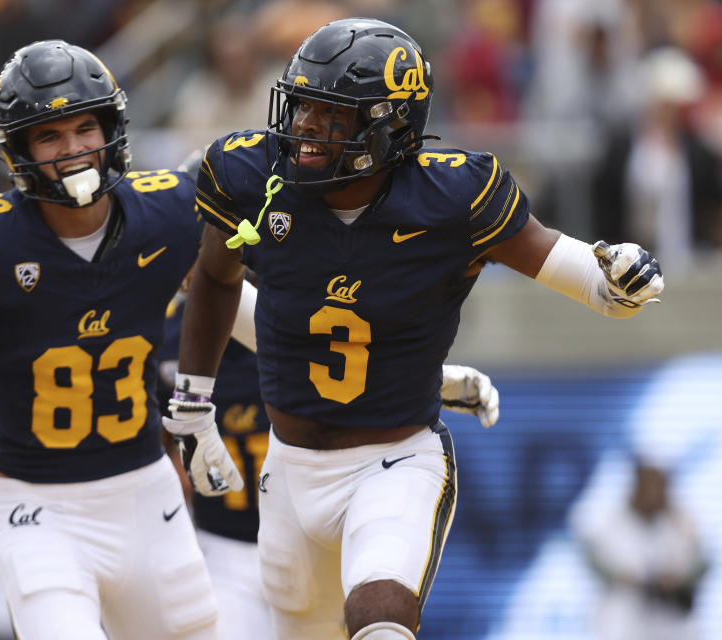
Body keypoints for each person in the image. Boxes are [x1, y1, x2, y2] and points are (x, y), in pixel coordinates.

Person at [171, 17, 664, 640]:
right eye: (301, 108)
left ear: (388, 125)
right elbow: (216, 281)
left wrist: (620, 276)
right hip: (289, 469)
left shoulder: (452, 195)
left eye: (331, 115)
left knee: (379, 616)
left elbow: (590, 280)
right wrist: (192, 403)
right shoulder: (254, 178)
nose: (304, 129)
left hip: (394, 461)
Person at [0, 40, 248, 640]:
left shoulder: (167, 213)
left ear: (111, 129)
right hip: (38, 508)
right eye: (49, 136)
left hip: (146, 492)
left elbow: (252, 313)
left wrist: (200, 412)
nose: (73, 150)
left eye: (84, 128)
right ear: (19, 150)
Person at [159, 289, 499, 640]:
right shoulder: (172, 333)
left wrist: (429, 381)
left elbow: (346, 363)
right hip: (223, 545)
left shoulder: (299, 313)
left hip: (306, 527)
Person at [579, 459, 709, 640]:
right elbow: (594, 561)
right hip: (625, 618)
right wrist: (624, 578)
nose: (652, 494)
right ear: (636, 488)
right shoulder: (612, 522)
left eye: (658, 487)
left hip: (672, 621)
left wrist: (679, 581)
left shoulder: (681, 523)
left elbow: (702, 563)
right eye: (647, 486)